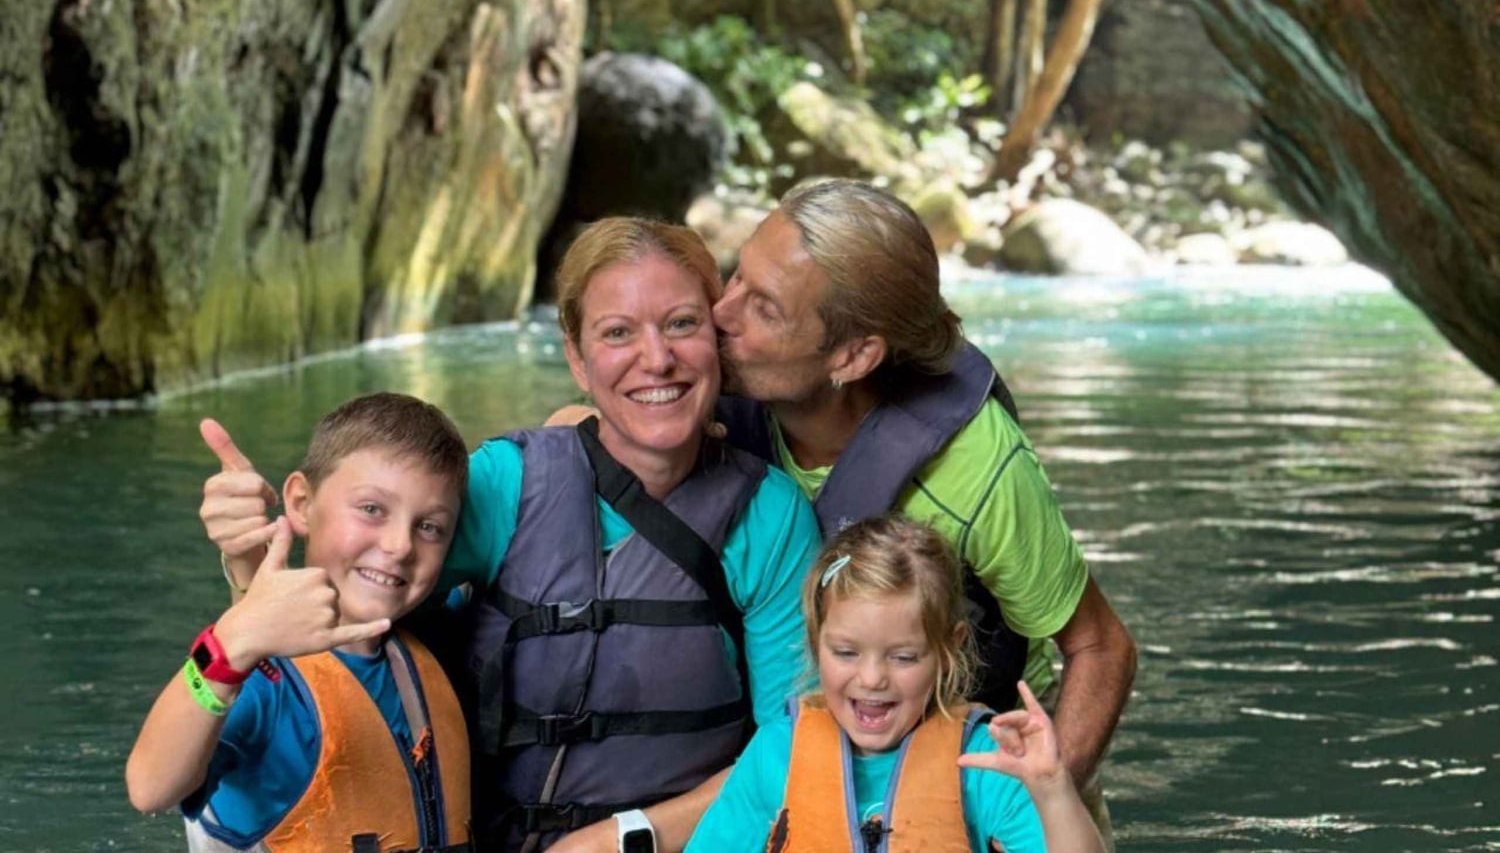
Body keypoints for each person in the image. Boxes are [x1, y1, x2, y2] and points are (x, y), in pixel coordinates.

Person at [197, 219, 824, 853]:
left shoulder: (769, 517)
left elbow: (795, 743)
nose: (657, 358)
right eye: (617, 333)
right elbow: (341, 605)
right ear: (577, 358)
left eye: (682, 324)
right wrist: (248, 562)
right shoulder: (507, 484)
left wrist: (619, 839)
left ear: (716, 339)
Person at [710, 178, 1137, 847]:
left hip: (982, 771)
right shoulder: (707, 408)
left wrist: (1027, 800)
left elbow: (1101, 646)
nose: (720, 312)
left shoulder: (977, 464)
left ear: (853, 356)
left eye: (763, 308)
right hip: (802, 763)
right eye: (736, 275)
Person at [126, 393, 473, 852]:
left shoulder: (430, 648)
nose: (400, 546)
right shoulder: (267, 681)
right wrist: (232, 643)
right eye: (372, 509)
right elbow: (150, 788)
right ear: (301, 503)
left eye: (429, 527)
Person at [685, 516, 1106, 853]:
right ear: (816, 642)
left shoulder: (984, 761)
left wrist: (1052, 788)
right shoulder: (776, 753)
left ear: (949, 649)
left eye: (903, 657)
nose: (871, 679)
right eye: (846, 652)